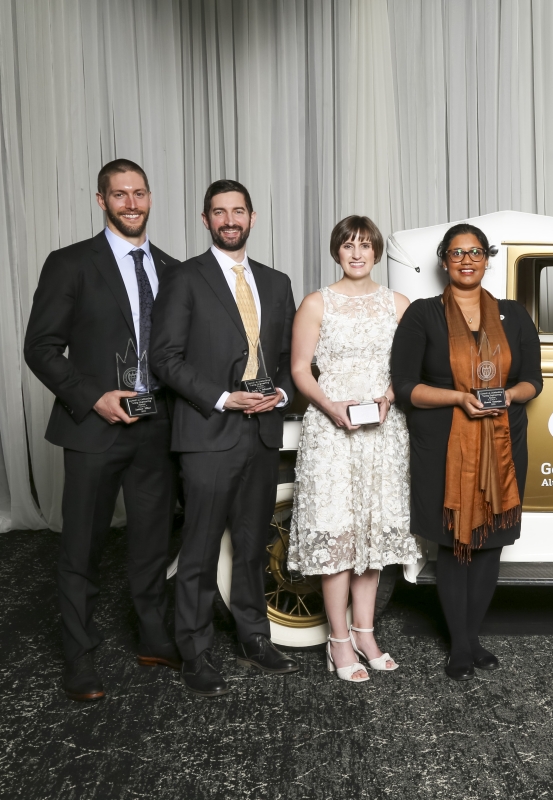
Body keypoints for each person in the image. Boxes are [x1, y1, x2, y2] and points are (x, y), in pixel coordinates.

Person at [24, 159, 181, 702]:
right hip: (93, 426)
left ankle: (154, 636)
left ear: (151, 198)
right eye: (120, 195)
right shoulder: (70, 264)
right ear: (101, 201)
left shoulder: (171, 267)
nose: (131, 203)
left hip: (156, 426)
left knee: (152, 541)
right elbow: (39, 347)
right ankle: (79, 656)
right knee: (82, 545)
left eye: (139, 193)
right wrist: (94, 396)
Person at [150, 179, 299, 696]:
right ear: (206, 220)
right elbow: (165, 359)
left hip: (261, 431)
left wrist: (278, 395)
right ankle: (194, 651)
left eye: (238, 211)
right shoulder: (184, 278)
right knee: (200, 549)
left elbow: (287, 362)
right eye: (219, 212)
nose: (229, 220)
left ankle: (254, 636)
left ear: (253, 218)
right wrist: (221, 397)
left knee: (254, 546)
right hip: (209, 430)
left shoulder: (277, 283)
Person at [390, 223, 542, 681]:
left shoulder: (514, 315)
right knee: (454, 543)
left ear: (487, 259)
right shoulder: (422, 315)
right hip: (443, 445)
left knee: (490, 543)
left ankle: (472, 636)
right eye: (457, 253)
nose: (466, 260)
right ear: (444, 261)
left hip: (502, 445)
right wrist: (458, 398)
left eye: (475, 252)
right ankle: (460, 644)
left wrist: (508, 395)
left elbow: (534, 380)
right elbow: (405, 388)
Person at [288, 216, 418, 682]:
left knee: (374, 531)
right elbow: (301, 370)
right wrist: (331, 406)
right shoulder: (316, 303)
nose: (357, 253)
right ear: (336, 252)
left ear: (377, 252)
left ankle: (366, 631)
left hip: (384, 431)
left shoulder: (399, 305)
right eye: (348, 245)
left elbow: (410, 367)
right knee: (339, 532)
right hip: (331, 430)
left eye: (365, 245)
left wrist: (387, 398)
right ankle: (338, 640)